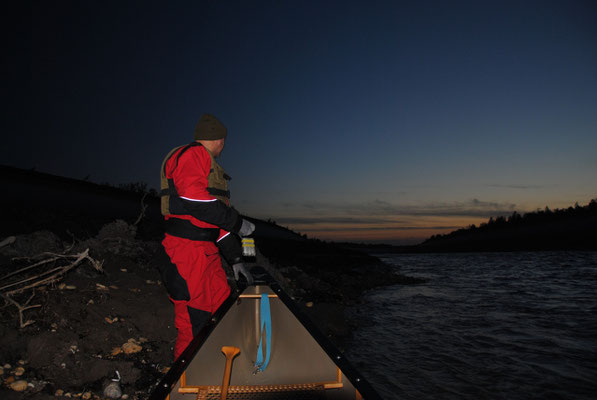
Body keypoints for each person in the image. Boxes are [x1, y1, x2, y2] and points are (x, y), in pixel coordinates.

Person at [158, 113, 255, 359]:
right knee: (194, 319)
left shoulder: (209, 165)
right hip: (186, 251)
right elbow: (194, 200)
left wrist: (236, 260)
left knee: (222, 306)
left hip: (206, 251)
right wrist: (238, 222)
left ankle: (215, 365)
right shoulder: (194, 155)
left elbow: (216, 224)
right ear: (220, 140)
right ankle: (184, 382)